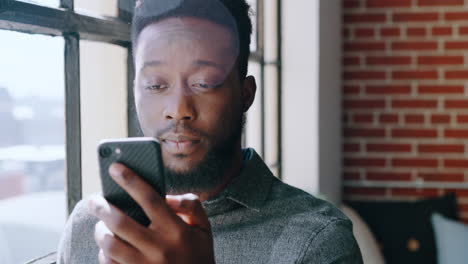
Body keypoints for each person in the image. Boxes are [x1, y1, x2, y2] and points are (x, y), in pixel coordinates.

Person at [56, 0, 363, 263]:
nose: (178, 109)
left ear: (245, 93)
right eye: (155, 85)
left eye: (204, 83)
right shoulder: (90, 226)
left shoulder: (317, 241)